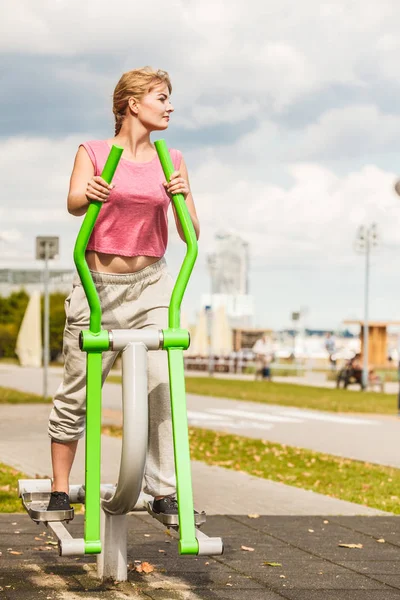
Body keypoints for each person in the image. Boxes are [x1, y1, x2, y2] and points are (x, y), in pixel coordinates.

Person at [46, 67, 200, 517]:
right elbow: (74, 203)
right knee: (79, 389)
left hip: (152, 285)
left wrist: (182, 195)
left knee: (162, 385)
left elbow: (191, 231)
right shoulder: (92, 152)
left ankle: (164, 491)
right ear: (133, 103)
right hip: (98, 286)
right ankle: (60, 489)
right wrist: (88, 192)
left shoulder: (171, 159)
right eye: (162, 98)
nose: (170, 106)